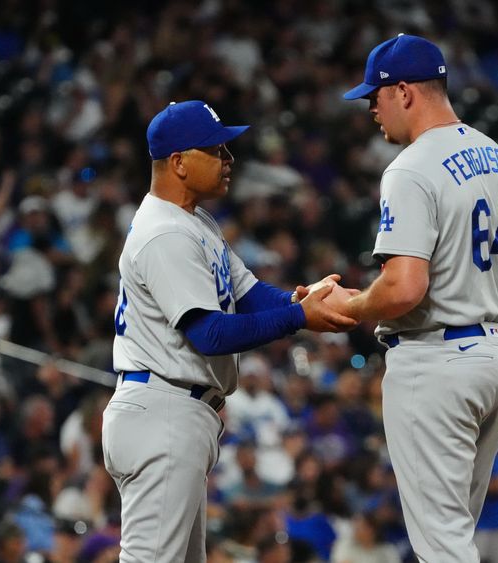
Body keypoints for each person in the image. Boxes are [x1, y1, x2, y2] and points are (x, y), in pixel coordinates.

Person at [101, 100, 356, 563]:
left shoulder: (193, 221)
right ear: (178, 162)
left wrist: (306, 300)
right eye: (216, 149)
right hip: (162, 409)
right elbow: (211, 335)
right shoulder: (165, 233)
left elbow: (249, 292)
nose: (229, 160)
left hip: (177, 410)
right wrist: (300, 318)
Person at [340, 34, 498, 561]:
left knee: (442, 546)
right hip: (493, 363)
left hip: (434, 365)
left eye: (376, 95)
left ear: (405, 92)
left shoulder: (411, 168)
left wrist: (349, 306)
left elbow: (404, 287)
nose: (371, 107)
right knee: (454, 535)